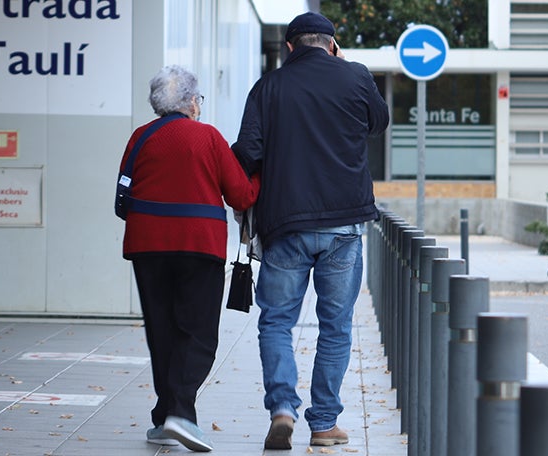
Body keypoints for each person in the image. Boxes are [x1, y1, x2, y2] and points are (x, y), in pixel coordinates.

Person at [231, 11, 390, 450]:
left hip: (285, 224)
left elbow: (247, 152)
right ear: (332, 44)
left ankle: (282, 409)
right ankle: (323, 424)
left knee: (277, 321)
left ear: (289, 47)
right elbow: (379, 122)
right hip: (343, 224)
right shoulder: (355, 77)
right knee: (335, 326)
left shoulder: (269, 87)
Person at [118, 65, 260, 452]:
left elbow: (123, 192)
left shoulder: (140, 137)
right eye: (199, 99)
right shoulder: (208, 137)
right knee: (197, 332)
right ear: (192, 103)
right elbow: (242, 196)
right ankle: (181, 413)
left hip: (147, 245)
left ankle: (166, 416)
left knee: (161, 330)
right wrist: (261, 175)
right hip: (199, 246)